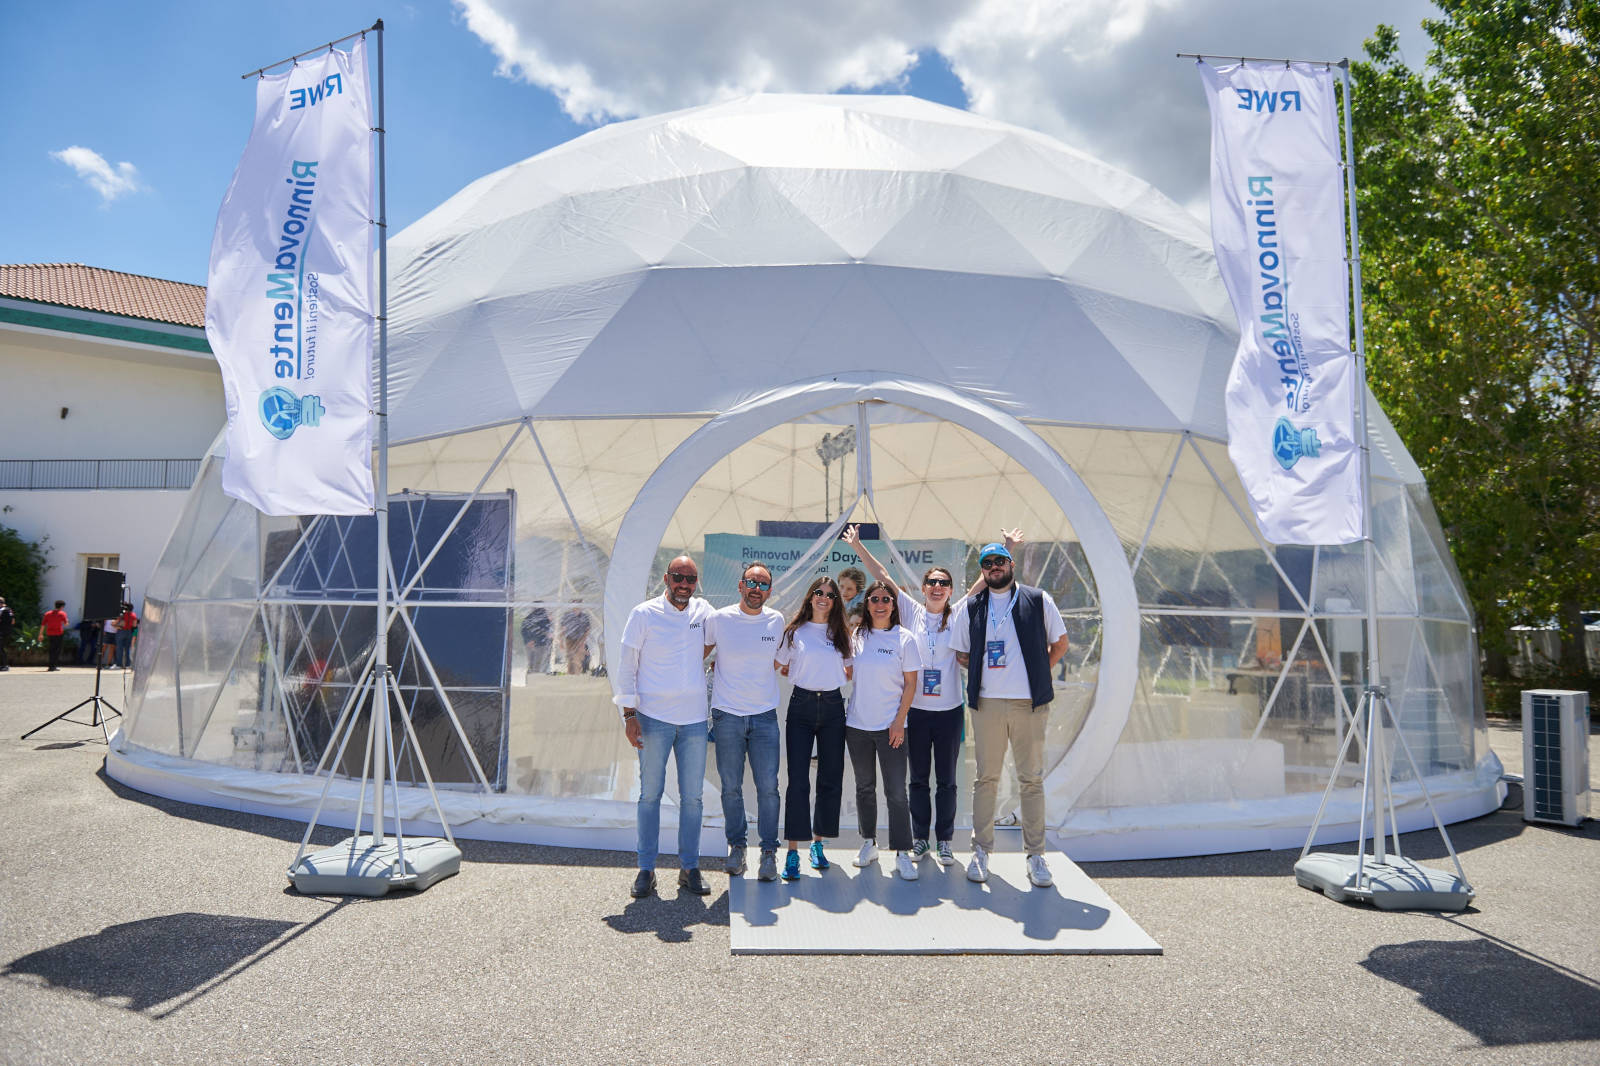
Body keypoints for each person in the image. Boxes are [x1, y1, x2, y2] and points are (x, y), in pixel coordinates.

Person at [843, 525, 1023, 867]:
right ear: (923, 588)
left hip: (949, 712)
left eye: (943, 583)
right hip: (916, 713)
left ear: (950, 590)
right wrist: (857, 545)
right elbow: (881, 575)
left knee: (947, 782)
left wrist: (1007, 547)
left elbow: (983, 581)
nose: (937, 587)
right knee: (918, 781)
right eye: (932, 583)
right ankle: (920, 839)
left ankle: (944, 841)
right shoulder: (911, 612)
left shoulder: (958, 613)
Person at [950, 542, 1069, 888]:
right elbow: (961, 652)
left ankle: (1035, 856)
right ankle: (981, 851)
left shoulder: (1037, 599)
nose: (994, 567)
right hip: (987, 704)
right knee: (986, 779)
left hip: (1027, 704)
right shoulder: (973, 605)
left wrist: (1037, 674)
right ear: (983, 570)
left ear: (1011, 564)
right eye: (987, 563)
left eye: (999, 561)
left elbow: (1059, 643)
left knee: (1030, 779)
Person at [614, 557, 714, 899]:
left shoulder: (704, 612)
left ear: (696, 582)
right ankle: (646, 869)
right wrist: (629, 715)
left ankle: (689, 867)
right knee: (650, 796)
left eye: (690, 578)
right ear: (666, 579)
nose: (684, 584)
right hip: (652, 718)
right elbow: (626, 667)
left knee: (693, 799)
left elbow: (726, 632)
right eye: (678, 577)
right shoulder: (643, 613)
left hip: (694, 721)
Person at [704, 563, 784, 881]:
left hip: (764, 717)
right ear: (740, 585)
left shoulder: (776, 621)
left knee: (768, 789)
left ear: (769, 591)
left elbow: (787, 657)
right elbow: (697, 655)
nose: (756, 588)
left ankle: (768, 853)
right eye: (751, 582)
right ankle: (737, 848)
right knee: (731, 789)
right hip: (727, 716)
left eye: (763, 584)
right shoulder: (719, 619)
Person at [774, 575, 853, 881]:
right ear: (810, 597)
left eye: (830, 595)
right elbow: (779, 665)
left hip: (833, 707)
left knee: (830, 778)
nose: (823, 597)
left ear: (836, 601)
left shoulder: (842, 633)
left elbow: (849, 670)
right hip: (801, 707)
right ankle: (792, 851)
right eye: (818, 592)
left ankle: (818, 845)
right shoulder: (793, 631)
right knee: (797, 781)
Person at [845, 581, 921, 880]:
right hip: (857, 725)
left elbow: (911, 684)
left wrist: (899, 721)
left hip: (891, 727)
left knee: (896, 792)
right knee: (864, 788)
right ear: (867, 603)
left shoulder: (905, 639)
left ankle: (903, 851)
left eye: (886, 599)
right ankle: (869, 842)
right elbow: (847, 671)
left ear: (893, 604)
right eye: (874, 599)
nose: (880, 604)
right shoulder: (857, 636)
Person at [521, 607, 553, 680]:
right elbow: (544, 631)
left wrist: (528, 641)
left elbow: (524, 630)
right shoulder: (544, 620)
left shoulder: (528, 619)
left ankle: (530, 679)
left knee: (532, 664)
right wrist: (530, 640)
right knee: (536, 664)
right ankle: (533, 680)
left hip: (534, 644)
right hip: (539, 644)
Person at [561, 607, 592, 674]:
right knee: (570, 657)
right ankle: (571, 673)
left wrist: (583, 640)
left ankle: (577, 673)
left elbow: (587, 629)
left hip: (580, 639)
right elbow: (563, 628)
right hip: (569, 639)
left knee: (578, 657)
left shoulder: (584, 616)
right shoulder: (567, 615)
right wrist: (561, 641)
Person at [42, 601, 69, 672]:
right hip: (58, 634)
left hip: (50, 633)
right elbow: (66, 624)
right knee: (57, 650)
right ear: (62, 607)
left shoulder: (47, 614)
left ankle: (51, 666)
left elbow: (43, 624)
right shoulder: (62, 614)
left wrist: (40, 634)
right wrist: (67, 621)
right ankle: (54, 666)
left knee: (51, 649)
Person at [115, 602, 138, 669]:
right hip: (129, 632)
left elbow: (117, 623)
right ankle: (128, 664)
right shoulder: (133, 615)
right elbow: (134, 625)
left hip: (121, 631)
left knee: (119, 648)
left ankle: (119, 664)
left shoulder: (122, 615)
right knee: (127, 649)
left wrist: (114, 625)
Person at [0, 597, 14, 671]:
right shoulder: (9, 610)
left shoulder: (3, 610)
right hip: (6, 631)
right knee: (1, 648)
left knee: (1, 648)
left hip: (2, 632)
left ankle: (4, 665)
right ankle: (3, 665)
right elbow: (13, 621)